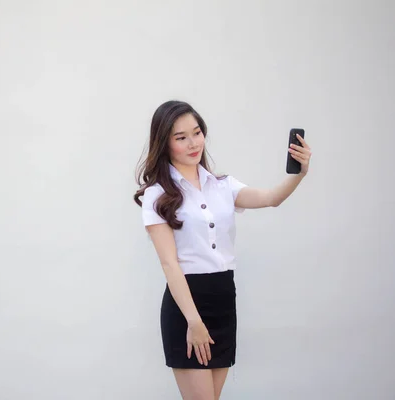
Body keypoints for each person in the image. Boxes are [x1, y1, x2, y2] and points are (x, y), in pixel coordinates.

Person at [133, 100, 312, 400]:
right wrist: (194, 321)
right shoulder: (157, 195)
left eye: (197, 132)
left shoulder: (223, 186)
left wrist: (300, 173)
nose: (193, 143)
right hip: (187, 306)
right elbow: (170, 265)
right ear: (164, 143)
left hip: (224, 299)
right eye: (181, 137)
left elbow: (270, 198)